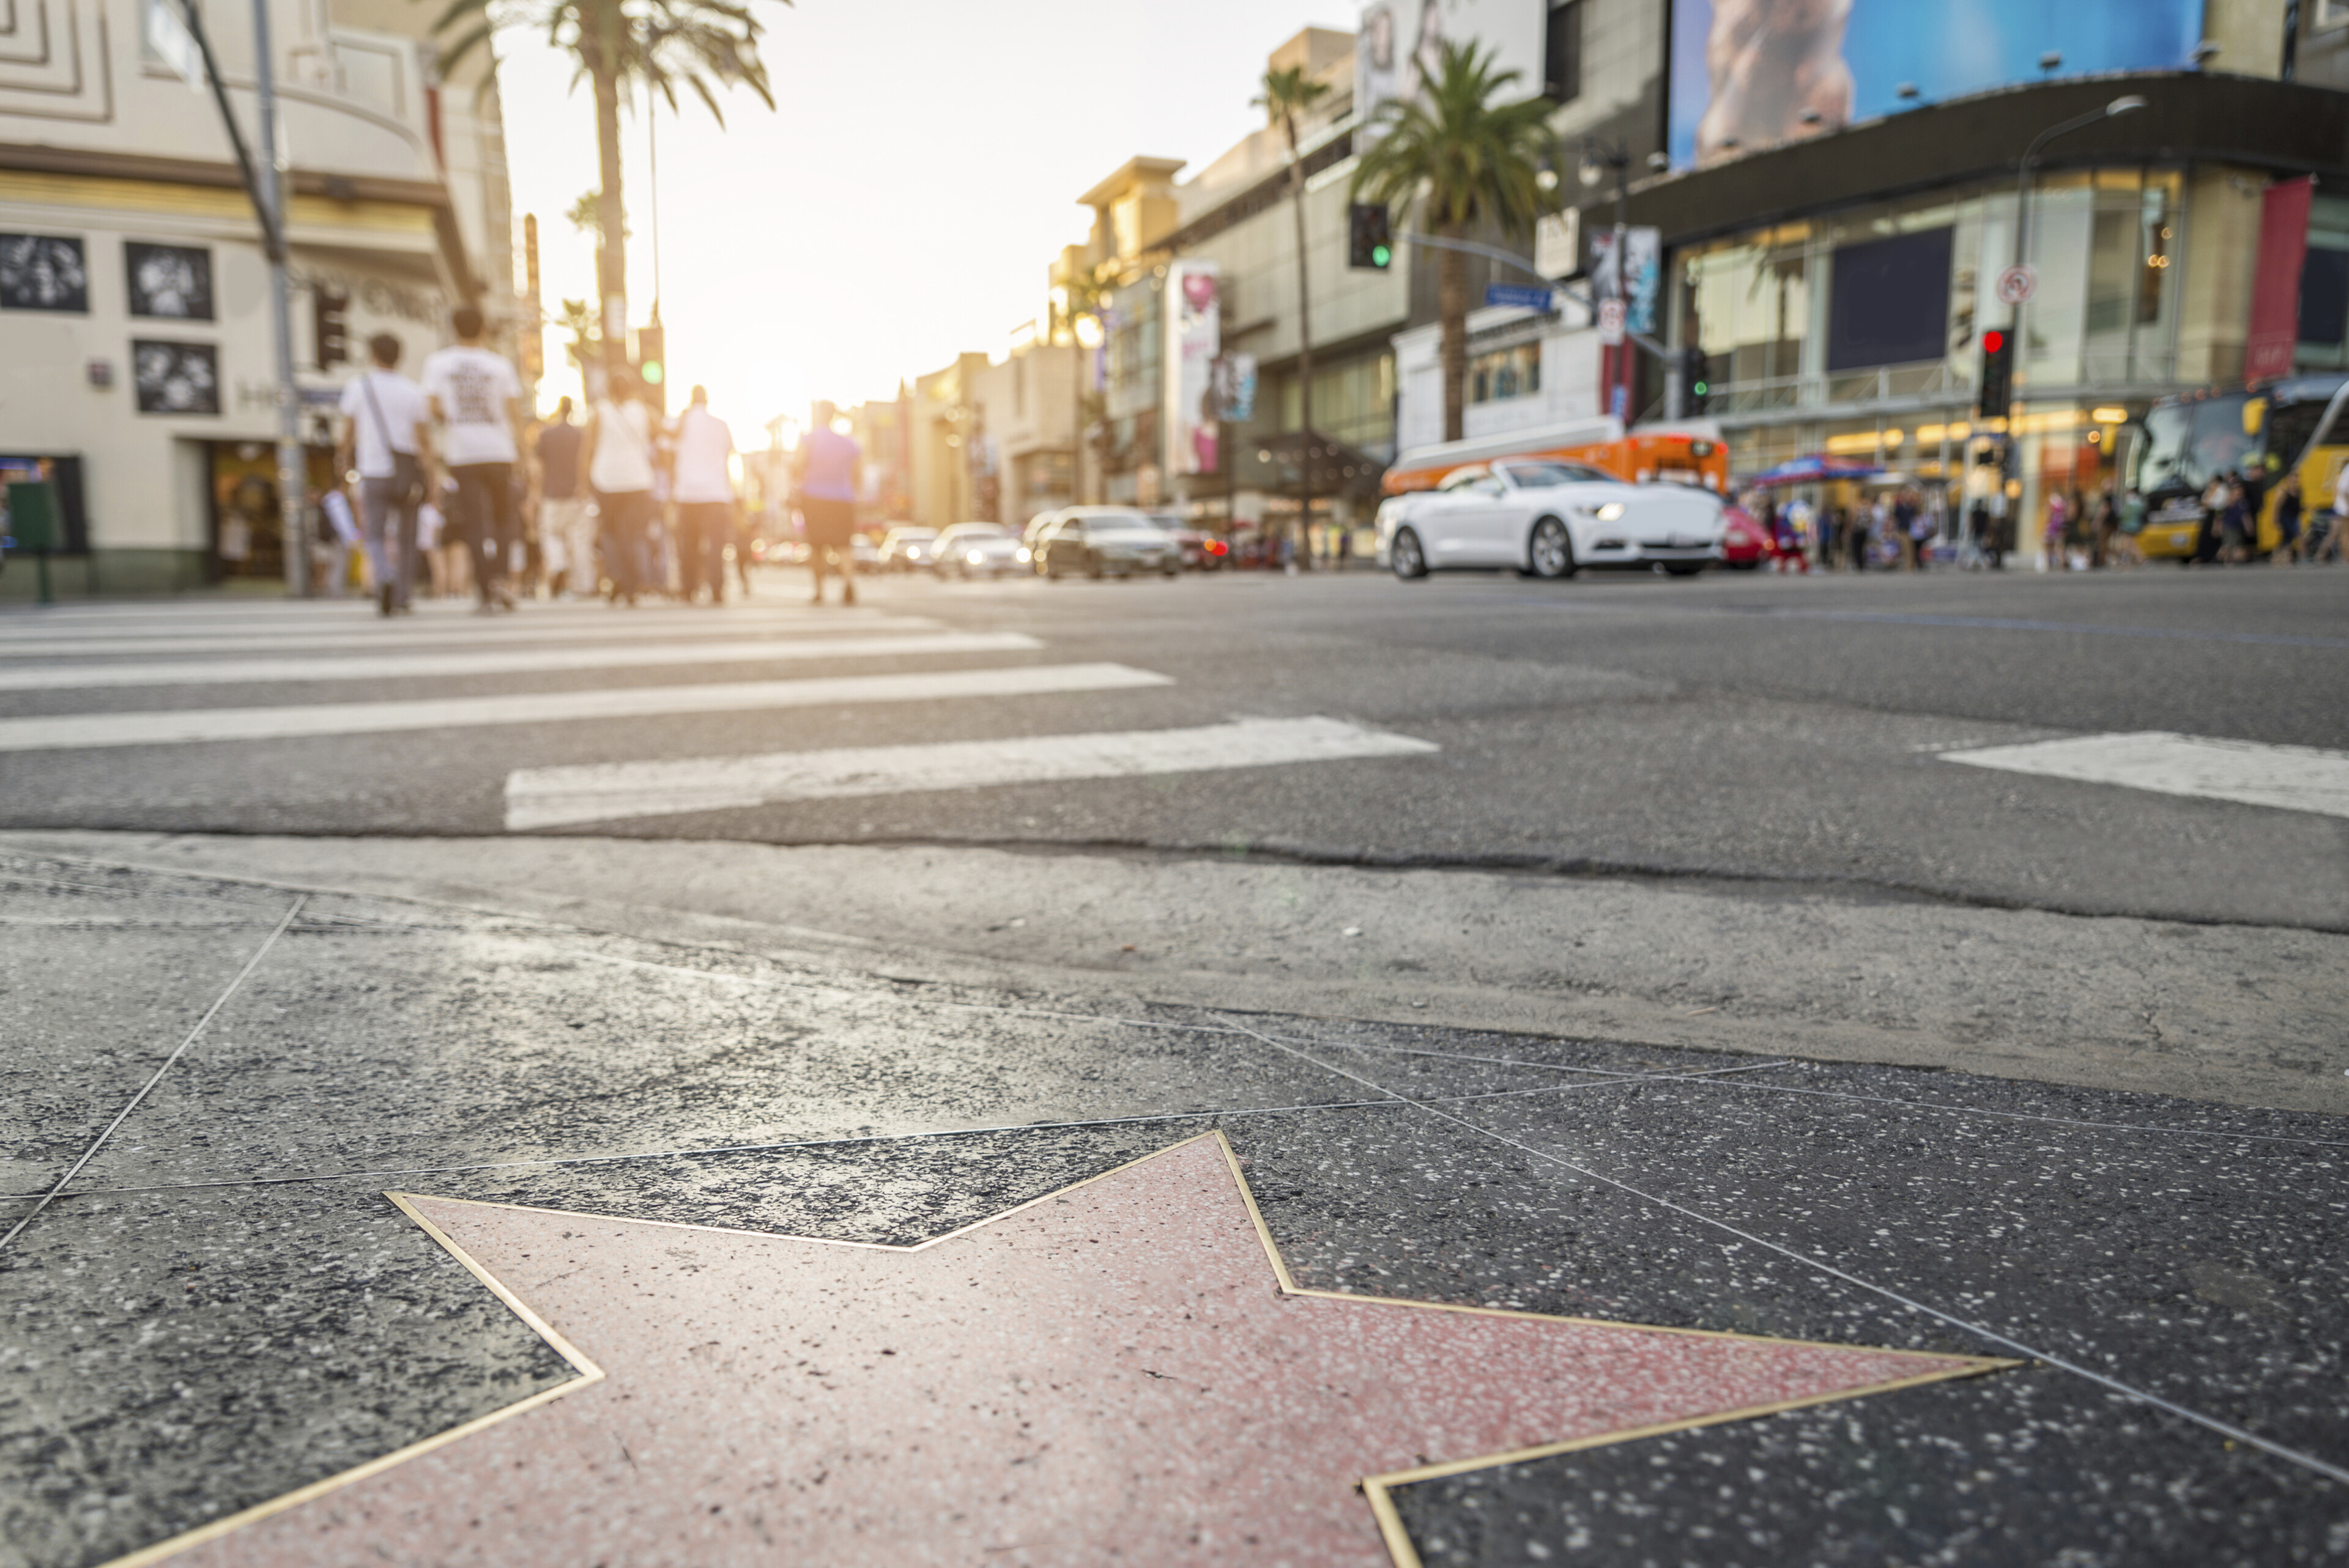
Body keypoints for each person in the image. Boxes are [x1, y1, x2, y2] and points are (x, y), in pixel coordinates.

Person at [421, 305, 527, 612]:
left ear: (454, 329)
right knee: (505, 519)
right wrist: (524, 454)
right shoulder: (500, 365)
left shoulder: (438, 363)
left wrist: (454, 418)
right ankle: (501, 580)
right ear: (483, 329)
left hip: (463, 452)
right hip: (499, 452)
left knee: (475, 522)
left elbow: (432, 407)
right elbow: (515, 415)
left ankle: (485, 589)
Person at [334, 332, 431, 616]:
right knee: (407, 536)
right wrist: (432, 476)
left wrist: (341, 462)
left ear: (373, 355)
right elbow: (424, 441)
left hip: (373, 470)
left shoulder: (358, 387)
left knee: (374, 534)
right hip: (407, 471)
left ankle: (384, 576)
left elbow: (348, 432)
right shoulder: (413, 391)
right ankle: (403, 594)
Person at [584, 368, 658, 605]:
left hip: (607, 481)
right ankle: (638, 581)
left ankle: (618, 580)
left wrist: (582, 483)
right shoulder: (644, 411)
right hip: (638, 480)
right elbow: (667, 433)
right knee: (635, 534)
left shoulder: (598, 411)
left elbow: (586, 449)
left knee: (611, 534)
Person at [671, 385, 737, 604]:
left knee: (687, 543)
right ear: (707, 401)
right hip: (717, 493)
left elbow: (666, 449)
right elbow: (729, 455)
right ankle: (717, 589)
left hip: (687, 493)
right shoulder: (721, 425)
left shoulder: (680, 422)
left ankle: (688, 588)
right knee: (716, 543)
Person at [795, 400, 860, 606]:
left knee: (816, 546)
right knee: (844, 545)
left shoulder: (810, 439)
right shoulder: (849, 443)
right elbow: (858, 474)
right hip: (843, 498)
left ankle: (819, 590)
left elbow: (797, 466)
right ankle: (848, 583)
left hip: (815, 498)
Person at [533, 397, 593, 598]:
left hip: (552, 494)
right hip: (577, 494)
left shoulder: (546, 435)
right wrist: (584, 487)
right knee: (579, 540)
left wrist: (536, 493)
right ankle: (583, 584)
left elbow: (539, 468)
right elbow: (586, 461)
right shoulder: (580, 435)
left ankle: (558, 564)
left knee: (551, 534)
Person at [313, 483, 360, 597]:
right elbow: (343, 522)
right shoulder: (337, 500)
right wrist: (352, 538)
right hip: (339, 538)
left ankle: (333, 589)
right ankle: (336, 590)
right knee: (339, 565)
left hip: (333, 538)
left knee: (334, 565)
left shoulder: (328, 500)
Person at [2273, 470, 2303, 564]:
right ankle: (2280, 557)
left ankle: (2283, 557)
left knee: (2290, 538)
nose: (2295, 480)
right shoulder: (2284, 491)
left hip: (2294, 517)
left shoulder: (2299, 491)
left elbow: (2298, 505)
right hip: (2286, 517)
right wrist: (2275, 518)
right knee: (2288, 537)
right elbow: (2277, 506)